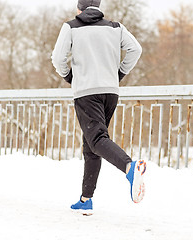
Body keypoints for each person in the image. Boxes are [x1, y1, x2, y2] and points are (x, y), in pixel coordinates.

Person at [51, 0, 145, 215]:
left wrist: (68, 76)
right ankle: (86, 199)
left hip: (86, 92)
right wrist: (118, 73)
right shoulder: (115, 27)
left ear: (79, 8)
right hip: (110, 92)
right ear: (99, 7)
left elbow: (57, 58)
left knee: (97, 139)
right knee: (92, 143)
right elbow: (135, 49)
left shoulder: (71, 27)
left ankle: (130, 168)